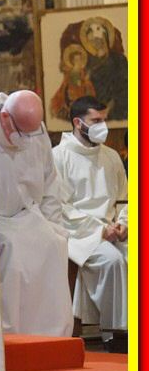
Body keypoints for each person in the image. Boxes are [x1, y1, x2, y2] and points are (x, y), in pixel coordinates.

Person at [0, 90, 73, 336]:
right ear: (5, 118)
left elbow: (49, 180)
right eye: (22, 132)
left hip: (30, 214)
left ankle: (54, 336)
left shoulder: (36, 131)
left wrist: (53, 224)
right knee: (15, 257)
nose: (27, 139)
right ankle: (12, 336)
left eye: (31, 133)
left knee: (54, 244)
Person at [52, 96, 128, 352]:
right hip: (79, 233)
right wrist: (100, 230)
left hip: (113, 230)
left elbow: (125, 198)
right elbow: (60, 206)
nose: (102, 126)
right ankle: (116, 334)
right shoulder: (58, 157)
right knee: (112, 261)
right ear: (78, 122)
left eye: (104, 120)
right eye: (96, 121)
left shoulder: (111, 156)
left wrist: (123, 224)